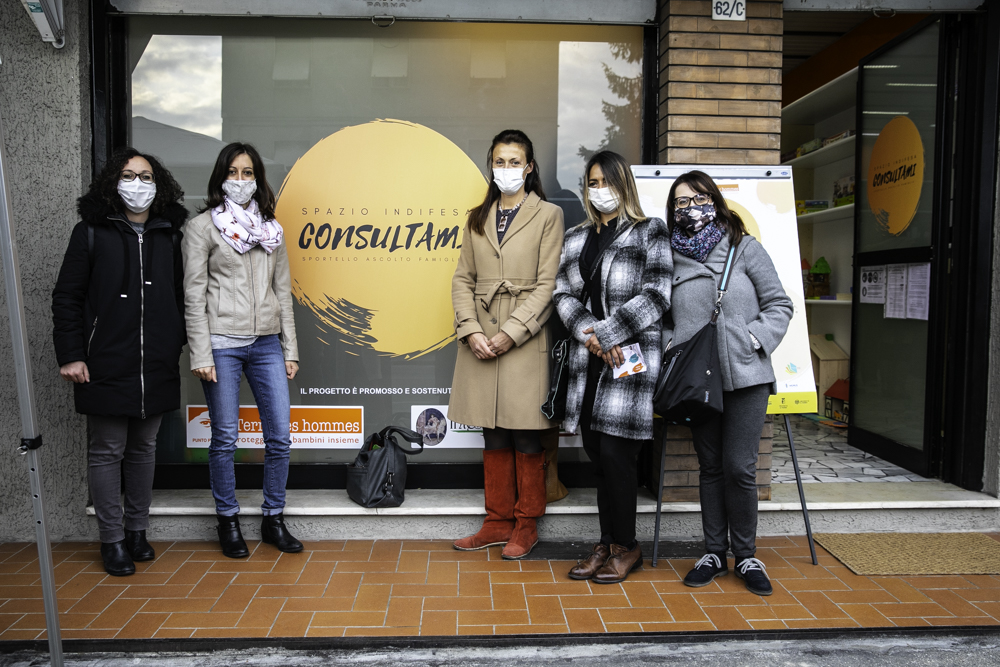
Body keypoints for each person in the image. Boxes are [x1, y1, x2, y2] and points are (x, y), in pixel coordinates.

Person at [52, 148, 187, 576]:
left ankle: (136, 531)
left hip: (157, 362)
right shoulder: (91, 231)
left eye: (146, 176)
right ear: (114, 182)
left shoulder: (171, 234)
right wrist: (71, 353)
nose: (138, 184)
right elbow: (67, 298)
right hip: (105, 360)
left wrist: (176, 341)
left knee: (144, 449)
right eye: (129, 175)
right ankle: (111, 540)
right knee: (108, 450)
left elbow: (184, 296)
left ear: (158, 184)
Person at [665, 170, 793, 597]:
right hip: (696, 383)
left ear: (715, 201)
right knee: (711, 468)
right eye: (680, 202)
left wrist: (754, 338)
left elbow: (780, 303)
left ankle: (747, 554)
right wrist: (673, 348)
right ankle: (713, 553)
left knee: (740, 468)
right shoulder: (669, 257)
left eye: (697, 199)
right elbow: (663, 318)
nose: (689, 208)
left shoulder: (745, 248)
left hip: (746, 376)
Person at [553, 151, 672, 584]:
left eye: (606, 181)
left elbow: (658, 294)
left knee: (619, 458)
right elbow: (562, 294)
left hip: (629, 361)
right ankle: (606, 543)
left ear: (624, 185)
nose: (598, 190)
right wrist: (590, 335)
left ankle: (627, 546)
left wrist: (607, 335)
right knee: (598, 458)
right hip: (590, 362)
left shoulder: (649, 232)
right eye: (592, 182)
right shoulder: (576, 237)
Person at [449, 129, 565, 560]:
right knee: (492, 434)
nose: (507, 169)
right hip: (480, 336)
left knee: (526, 435)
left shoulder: (548, 215)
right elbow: (463, 278)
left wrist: (510, 332)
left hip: (522, 339)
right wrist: (471, 329)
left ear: (529, 167)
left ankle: (526, 523)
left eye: (515, 162)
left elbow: (548, 285)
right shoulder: (477, 216)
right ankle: (496, 522)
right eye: (500, 161)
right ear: (490, 165)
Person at [182, 142, 301, 558]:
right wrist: (200, 353)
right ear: (220, 178)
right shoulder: (202, 228)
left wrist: (290, 349)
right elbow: (193, 297)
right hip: (221, 345)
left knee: (280, 438)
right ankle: (228, 520)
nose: (240, 180)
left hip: (268, 343)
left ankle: (273, 519)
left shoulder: (272, 229)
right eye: (232, 172)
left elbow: (282, 292)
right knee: (226, 438)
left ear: (257, 179)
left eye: (247, 173)